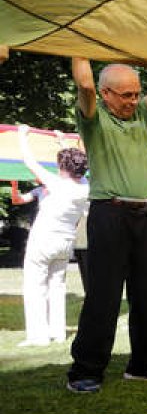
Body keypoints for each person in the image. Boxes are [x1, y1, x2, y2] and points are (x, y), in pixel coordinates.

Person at [67, 59, 147, 394]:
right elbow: (85, 85)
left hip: (145, 214)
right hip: (109, 213)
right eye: (126, 95)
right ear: (106, 94)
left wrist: (143, 52)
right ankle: (85, 371)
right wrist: (78, 42)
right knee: (104, 295)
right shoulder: (94, 119)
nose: (134, 100)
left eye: (136, 94)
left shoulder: (141, 115)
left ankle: (142, 366)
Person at [16, 125, 89, 347]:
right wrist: (62, 142)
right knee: (57, 285)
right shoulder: (85, 186)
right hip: (65, 244)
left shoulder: (57, 183)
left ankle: (38, 337)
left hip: (44, 242)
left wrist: (22, 135)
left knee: (35, 286)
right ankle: (57, 333)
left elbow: (29, 161)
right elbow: (75, 162)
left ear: (62, 167)